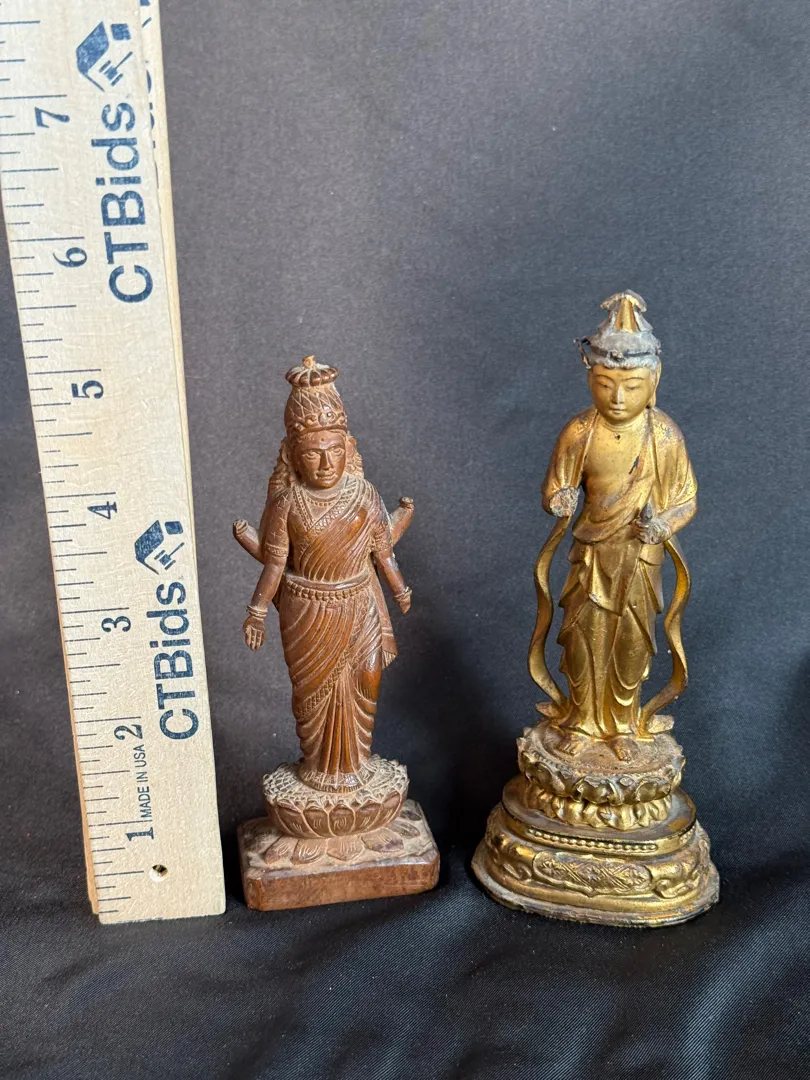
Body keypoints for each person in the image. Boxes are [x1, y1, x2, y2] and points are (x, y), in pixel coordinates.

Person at [533, 292, 697, 761]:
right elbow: (556, 487)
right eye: (605, 384)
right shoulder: (580, 431)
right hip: (591, 555)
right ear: (591, 379)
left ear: (653, 382)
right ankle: (583, 721)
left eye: (632, 386)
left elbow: (686, 498)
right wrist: (560, 499)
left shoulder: (663, 435)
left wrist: (662, 524)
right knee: (583, 639)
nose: (618, 398)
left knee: (632, 643)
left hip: (640, 559)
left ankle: (622, 724)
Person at [241, 356, 412, 792]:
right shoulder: (288, 503)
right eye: (312, 454)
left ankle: (357, 766)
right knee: (312, 694)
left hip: (359, 603)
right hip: (308, 612)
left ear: (348, 449)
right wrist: (257, 612)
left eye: (334, 451)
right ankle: (320, 769)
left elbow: (382, 551)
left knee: (367, 679)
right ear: (293, 456)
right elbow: (276, 564)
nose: (324, 463)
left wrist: (399, 589)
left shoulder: (364, 494)